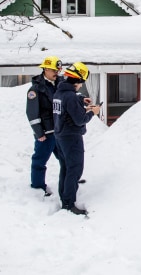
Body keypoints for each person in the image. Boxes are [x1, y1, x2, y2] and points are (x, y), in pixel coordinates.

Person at [53, 62, 100, 215]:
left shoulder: (59, 93)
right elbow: (80, 120)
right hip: (71, 137)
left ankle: (64, 197)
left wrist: (81, 101)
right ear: (77, 81)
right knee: (74, 170)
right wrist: (93, 112)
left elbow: (68, 110)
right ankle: (69, 204)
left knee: (65, 168)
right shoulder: (70, 96)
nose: (81, 86)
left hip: (60, 136)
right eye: (81, 83)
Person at [26, 56, 63, 196]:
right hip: (46, 134)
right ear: (46, 69)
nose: (57, 73)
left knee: (66, 159)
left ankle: (70, 180)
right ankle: (37, 187)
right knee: (39, 161)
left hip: (60, 131)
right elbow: (32, 113)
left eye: (58, 70)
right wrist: (39, 133)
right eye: (54, 70)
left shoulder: (60, 84)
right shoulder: (35, 89)